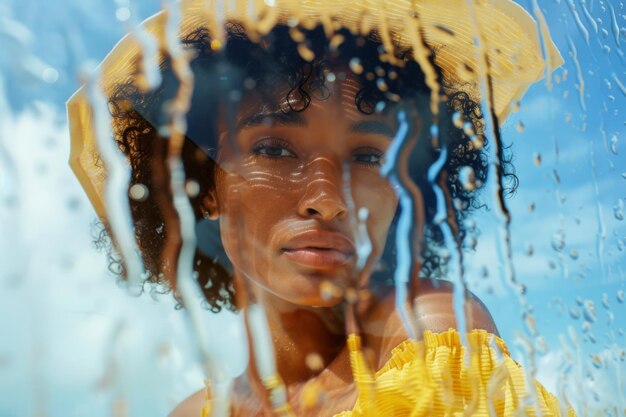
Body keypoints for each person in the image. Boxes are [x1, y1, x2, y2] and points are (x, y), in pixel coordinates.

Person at [68, 0, 571, 416]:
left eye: (369, 157)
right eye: (273, 149)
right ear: (207, 185)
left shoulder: (431, 328)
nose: (328, 199)